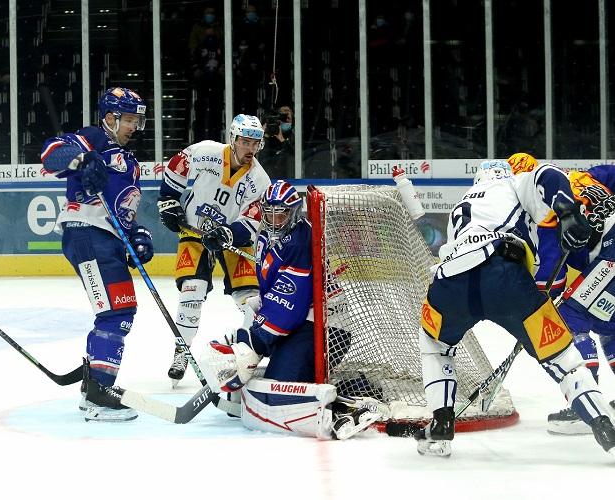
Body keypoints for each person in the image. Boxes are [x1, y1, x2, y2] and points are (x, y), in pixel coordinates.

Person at [416, 159, 615, 458]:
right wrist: (568, 212)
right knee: (562, 357)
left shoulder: (461, 206)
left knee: (434, 346)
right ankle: (603, 425)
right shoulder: (513, 183)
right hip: (505, 275)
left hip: (449, 283)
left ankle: (441, 420)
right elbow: (547, 174)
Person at [199, 180, 389, 440]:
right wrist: (226, 234)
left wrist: (253, 340)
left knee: (280, 389)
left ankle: (360, 395)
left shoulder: (300, 242)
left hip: (325, 328)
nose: (275, 220)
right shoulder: (267, 233)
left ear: (294, 212)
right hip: (302, 324)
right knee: (273, 376)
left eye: (282, 213)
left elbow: (289, 307)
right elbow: (248, 227)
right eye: (269, 213)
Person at [40, 87, 153, 422]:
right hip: (86, 233)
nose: (133, 126)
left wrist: (137, 235)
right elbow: (50, 153)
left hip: (107, 239)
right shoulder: (93, 139)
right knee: (116, 311)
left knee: (120, 310)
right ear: (110, 118)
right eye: (128, 119)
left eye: (136, 121)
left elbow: (122, 212)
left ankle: (95, 382)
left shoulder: (130, 163)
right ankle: (98, 394)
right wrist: (82, 159)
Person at [157, 114, 271, 387]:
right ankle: (182, 352)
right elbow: (177, 166)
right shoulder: (205, 152)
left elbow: (252, 220)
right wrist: (168, 200)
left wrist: (228, 234)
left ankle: (251, 350)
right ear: (233, 138)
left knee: (251, 299)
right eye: (245, 142)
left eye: (255, 144)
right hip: (195, 231)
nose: (250, 149)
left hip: (232, 239)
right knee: (192, 292)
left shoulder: (260, 180)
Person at [508, 153, 615, 434]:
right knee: (609, 325)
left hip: (610, 256)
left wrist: (537, 301)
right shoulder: (583, 175)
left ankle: (586, 408)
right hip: (609, 252)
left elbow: (550, 274)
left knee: (569, 318)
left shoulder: (542, 209)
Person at [257, 106, 294, 179]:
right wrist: (264, 135)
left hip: (288, 179)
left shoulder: (295, 138)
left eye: (288, 118)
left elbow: (294, 158)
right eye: (282, 119)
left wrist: (282, 139)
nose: (285, 121)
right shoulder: (267, 138)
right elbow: (261, 160)